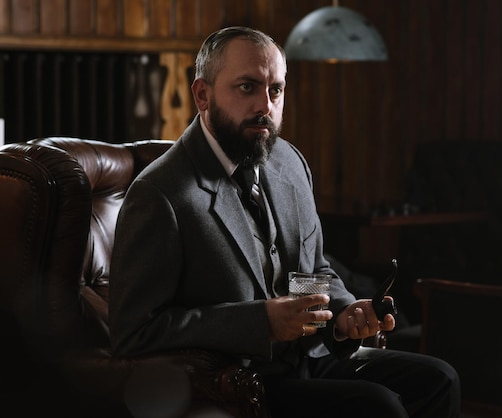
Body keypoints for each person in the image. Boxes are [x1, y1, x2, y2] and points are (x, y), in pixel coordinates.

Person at [109, 26, 460, 418]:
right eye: (247, 88)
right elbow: (135, 332)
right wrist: (260, 322)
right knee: (379, 407)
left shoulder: (289, 163)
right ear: (202, 95)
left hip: (311, 358)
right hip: (242, 383)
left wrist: (343, 315)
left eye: (275, 90)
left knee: (440, 379)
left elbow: (311, 274)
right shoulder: (160, 193)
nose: (266, 105)